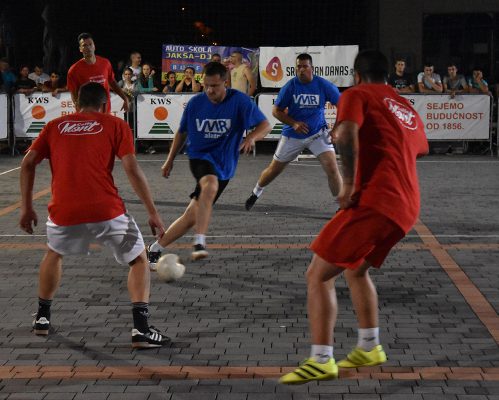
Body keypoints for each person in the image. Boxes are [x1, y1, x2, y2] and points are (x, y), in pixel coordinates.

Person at [279, 50, 429, 385]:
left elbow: (345, 134)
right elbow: (421, 148)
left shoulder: (357, 94)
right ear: (387, 75)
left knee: (318, 275)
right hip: (407, 206)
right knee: (356, 269)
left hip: (377, 201)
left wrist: (348, 184)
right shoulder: (403, 105)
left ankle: (321, 360)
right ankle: (369, 346)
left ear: (357, 76)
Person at [19, 82, 169, 349]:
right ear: (105, 104)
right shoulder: (116, 125)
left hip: (64, 210)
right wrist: (153, 212)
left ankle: (42, 317)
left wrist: (27, 207)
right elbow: (132, 168)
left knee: (54, 253)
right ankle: (141, 329)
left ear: (77, 103)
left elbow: (28, 162)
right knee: (139, 259)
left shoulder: (54, 126)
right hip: (106, 210)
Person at [147, 62, 271, 265]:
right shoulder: (196, 103)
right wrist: (169, 160)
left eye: (214, 86)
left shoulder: (240, 101)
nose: (210, 90)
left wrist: (251, 138)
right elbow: (182, 132)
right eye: (206, 85)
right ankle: (199, 241)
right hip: (199, 156)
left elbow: (265, 125)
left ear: (225, 83)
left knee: (192, 216)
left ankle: (155, 248)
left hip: (225, 165)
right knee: (210, 184)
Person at [245, 53, 342, 211]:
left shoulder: (324, 85)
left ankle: (341, 207)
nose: (301, 70)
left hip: (317, 134)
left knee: (332, 168)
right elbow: (276, 111)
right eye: (298, 67)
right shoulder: (290, 86)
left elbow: (343, 106)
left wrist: (336, 129)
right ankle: (256, 192)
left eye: (305, 66)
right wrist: (294, 123)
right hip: (292, 135)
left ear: (312, 68)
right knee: (274, 170)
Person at [67, 32, 129, 113]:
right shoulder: (74, 70)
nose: (88, 47)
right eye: (84, 45)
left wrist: (125, 98)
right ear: (80, 49)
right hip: (88, 114)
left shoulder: (105, 63)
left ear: (94, 46)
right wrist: (80, 111)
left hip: (105, 113)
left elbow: (112, 82)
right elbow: (74, 94)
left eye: (90, 44)